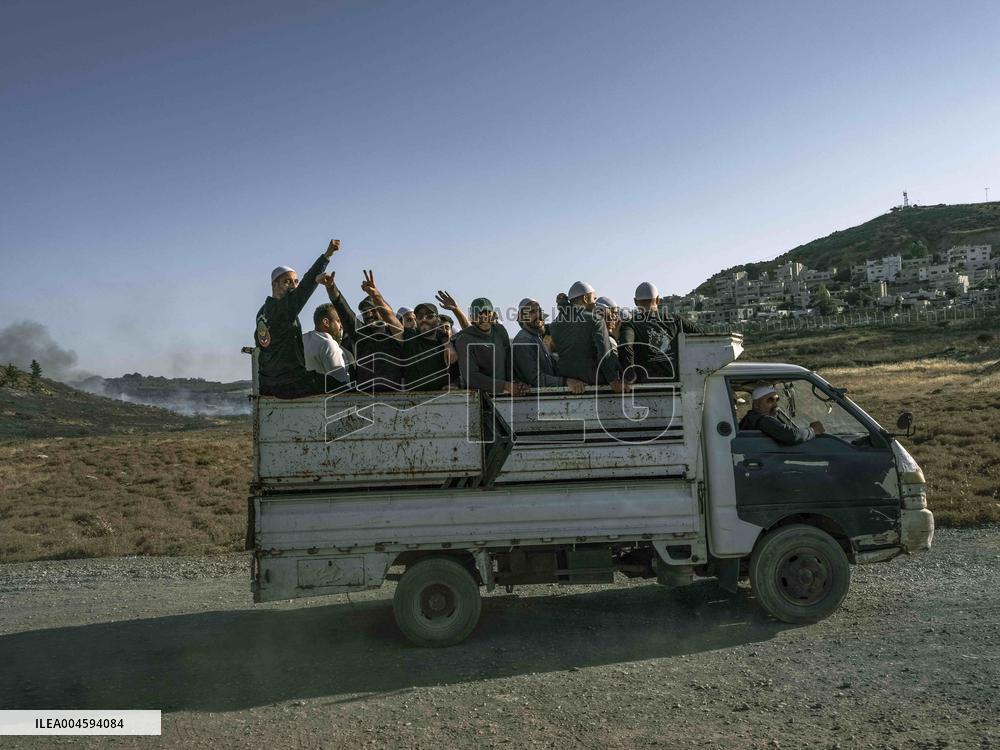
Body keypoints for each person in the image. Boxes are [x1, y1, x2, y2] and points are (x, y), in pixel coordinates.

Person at [254, 239, 339, 398]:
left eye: (295, 281)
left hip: (270, 385)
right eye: (287, 282)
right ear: (274, 285)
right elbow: (305, 288)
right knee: (344, 382)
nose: (293, 286)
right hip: (289, 384)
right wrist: (327, 256)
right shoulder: (281, 309)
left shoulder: (263, 312)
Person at [318, 269, 404, 393]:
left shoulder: (394, 333)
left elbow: (390, 316)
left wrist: (375, 295)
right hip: (364, 398)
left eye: (372, 310)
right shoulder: (360, 334)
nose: (368, 314)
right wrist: (331, 287)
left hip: (394, 397)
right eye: (364, 312)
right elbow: (344, 310)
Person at [548, 281, 626, 391]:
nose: (595, 303)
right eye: (594, 299)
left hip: (569, 382)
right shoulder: (595, 320)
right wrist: (613, 380)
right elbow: (604, 352)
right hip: (594, 379)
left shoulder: (554, 325)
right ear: (585, 299)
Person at [618, 281, 701, 384]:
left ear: (635, 302)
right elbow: (701, 338)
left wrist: (630, 375)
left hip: (646, 387)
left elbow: (625, 346)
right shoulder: (676, 320)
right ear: (658, 300)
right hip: (676, 385)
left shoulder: (630, 325)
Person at [454, 297, 529, 395]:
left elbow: (509, 362)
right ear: (472, 318)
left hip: (506, 395)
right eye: (479, 314)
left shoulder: (500, 331)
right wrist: (505, 386)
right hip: (479, 398)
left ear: (493, 315)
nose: (484, 317)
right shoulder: (464, 340)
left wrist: (516, 383)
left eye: (487, 313)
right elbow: (471, 377)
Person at [512, 297, 586, 393]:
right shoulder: (522, 341)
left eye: (539, 311)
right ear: (522, 317)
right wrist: (565, 381)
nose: (538, 315)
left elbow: (553, 368)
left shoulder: (536, 338)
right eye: (532, 312)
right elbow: (535, 379)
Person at [739, 384, 824, 444]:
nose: (775, 404)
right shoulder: (761, 420)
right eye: (770, 400)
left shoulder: (749, 418)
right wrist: (812, 431)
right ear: (757, 405)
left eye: (777, 400)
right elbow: (792, 436)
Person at [402, 302, 452, 391]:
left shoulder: (449, 345)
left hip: (444, 401)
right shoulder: (410, 337)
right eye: (419, 317)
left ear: (438, 320)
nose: (424, 319)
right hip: (411, 401)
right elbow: (389, 317)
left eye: (429, 316)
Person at [302, 303, 351, 390]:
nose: (341, 326)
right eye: (338, 321)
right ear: (326, 322)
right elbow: (341, 383)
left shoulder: (302, 339)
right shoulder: (328, 343)